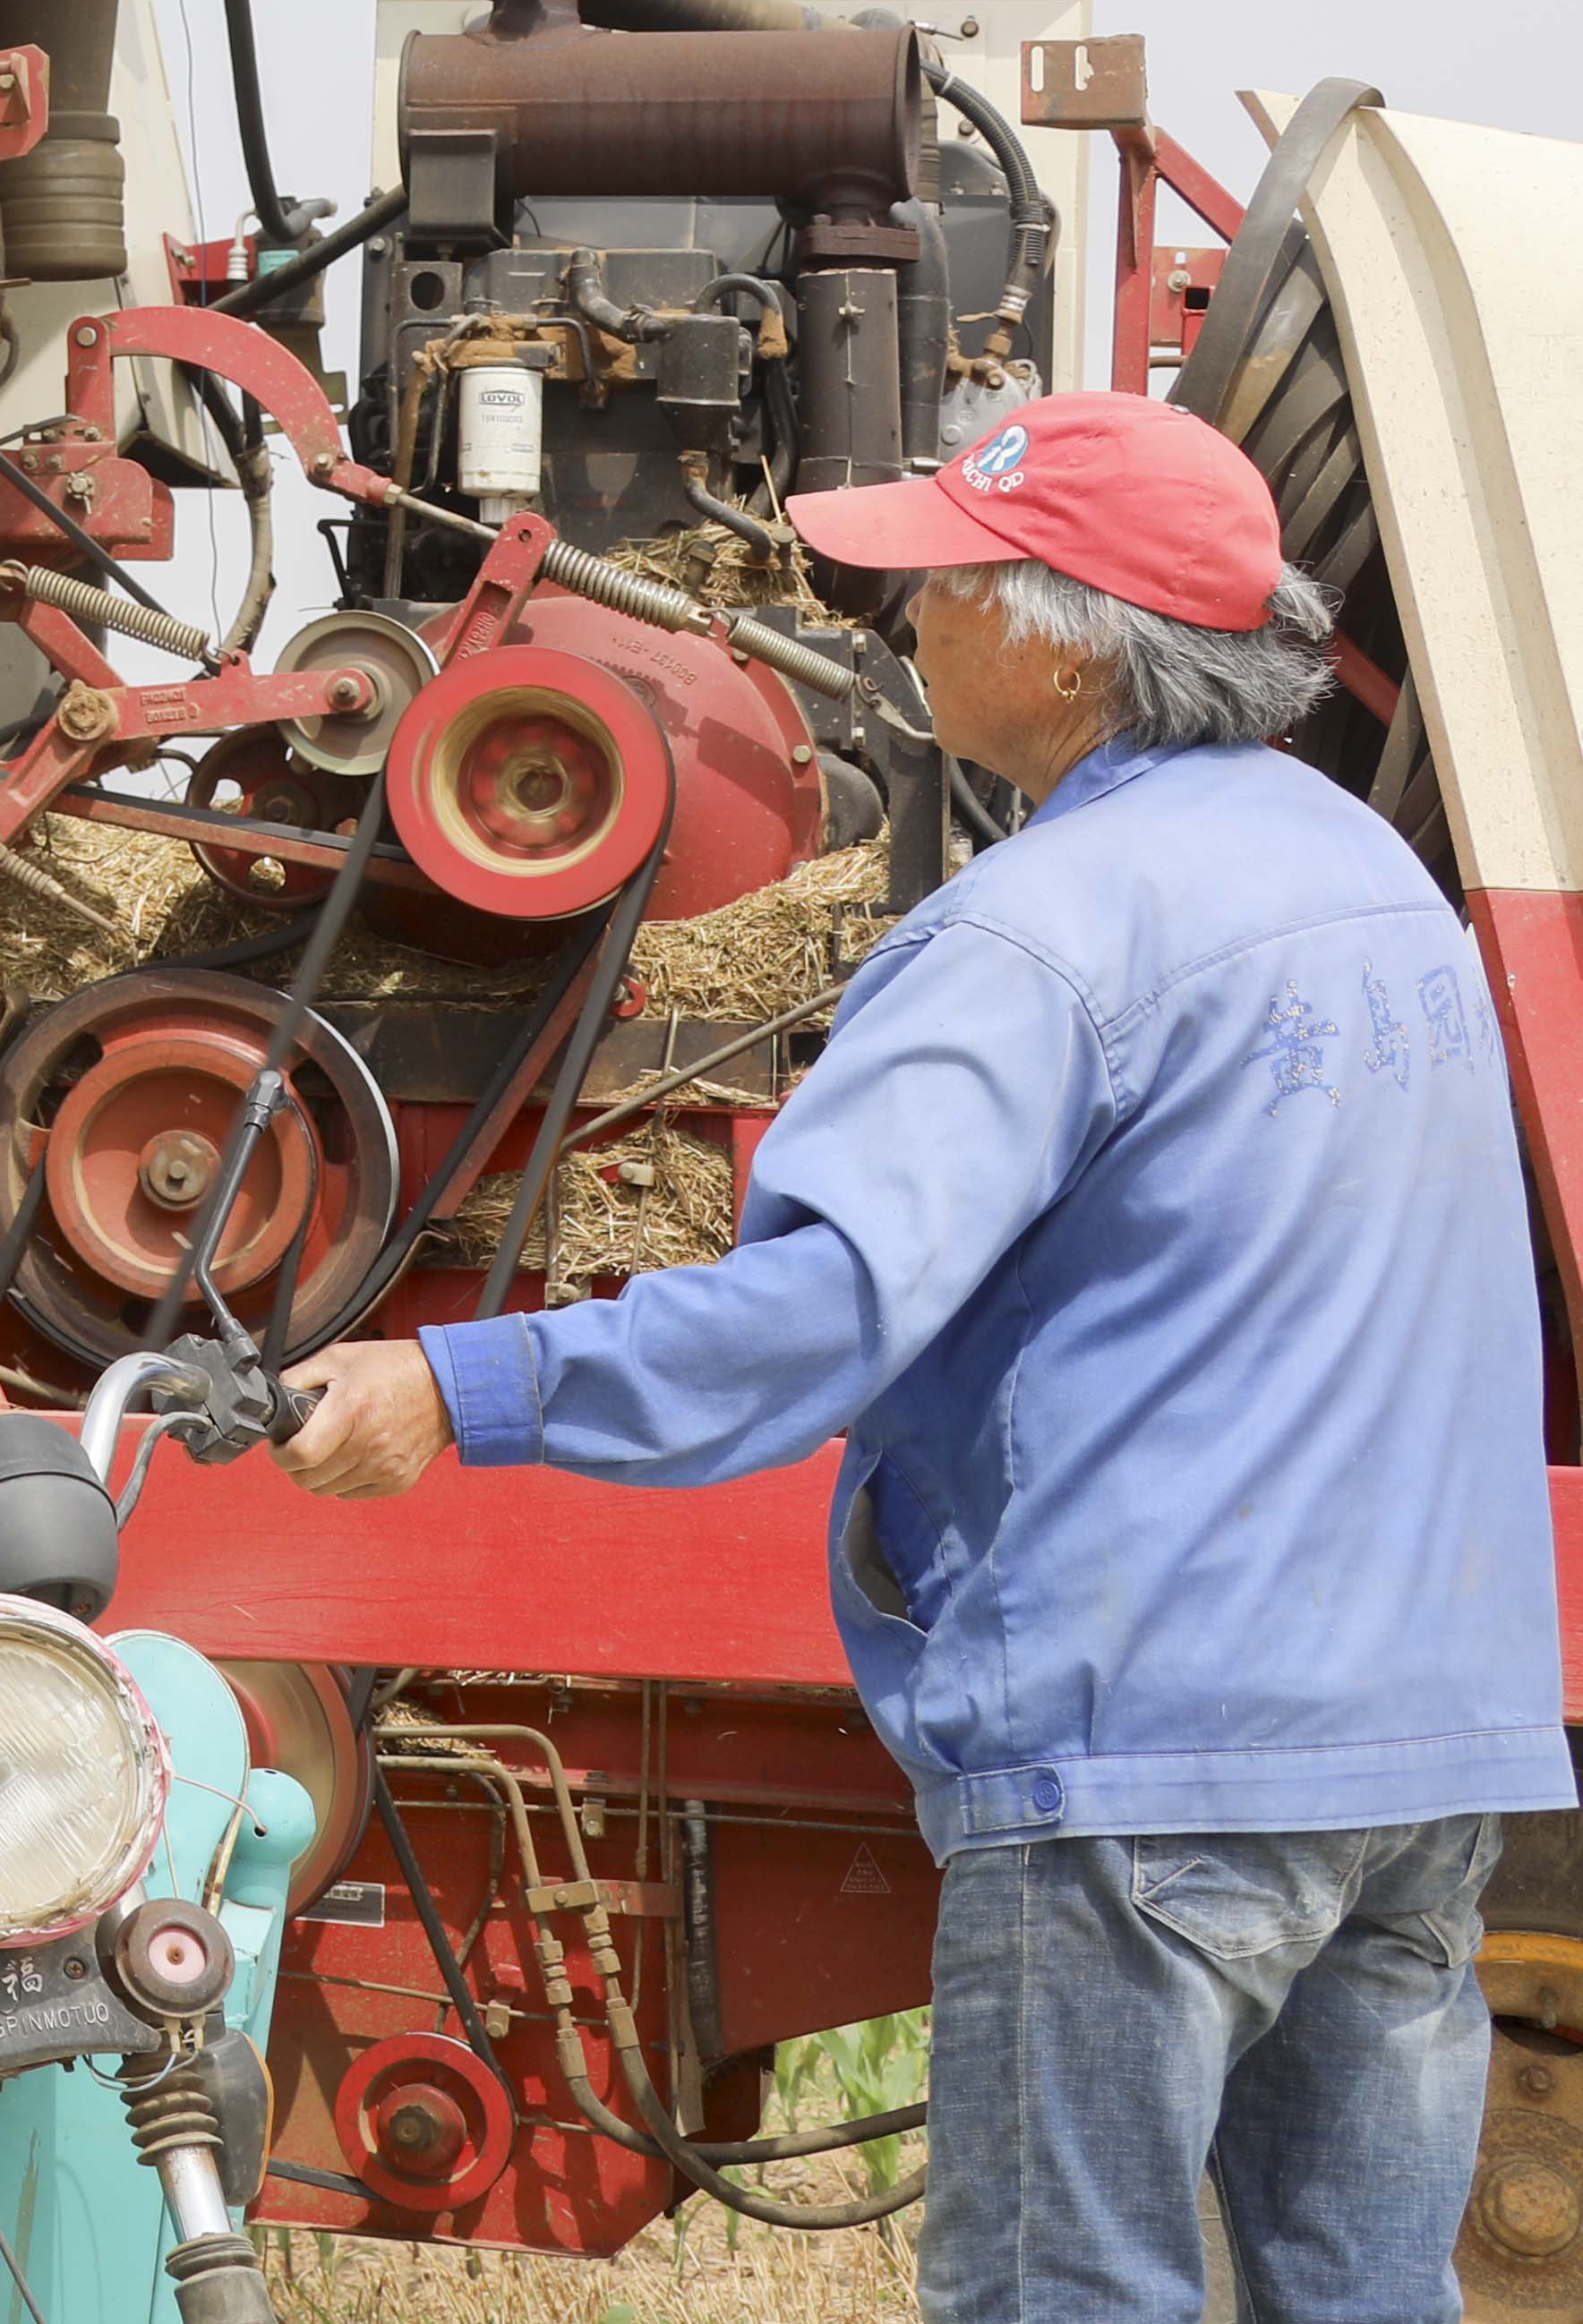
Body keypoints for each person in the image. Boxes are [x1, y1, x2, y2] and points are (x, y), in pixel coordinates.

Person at [275, 392, 1562, 2323]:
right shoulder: (1381, 893)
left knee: (1068, 2296)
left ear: (1057, 636)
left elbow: (811, 1322)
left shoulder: (1038, 931)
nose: (903, 617)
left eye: (942, 579)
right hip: (1427, 1737)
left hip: (1151, 1753)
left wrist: (448, 1385)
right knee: (1364, 2297)